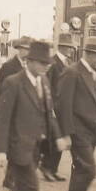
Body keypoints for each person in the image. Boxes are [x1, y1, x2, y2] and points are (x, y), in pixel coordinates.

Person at [0, 40, 68, 191]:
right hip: (18, 146)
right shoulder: (13, 83)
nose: (46, 66)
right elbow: (3, 119)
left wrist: (57, 136)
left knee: (20, 190)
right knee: (31, 188)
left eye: (47, 63)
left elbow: (49, 113)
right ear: (30, 61)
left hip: (36, 147)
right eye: (42, 63)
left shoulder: (44, 82)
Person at [57, 36, 96, 191]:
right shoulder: (72, 72)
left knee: (80, 171)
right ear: (87, 53)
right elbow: (63, 104)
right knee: (89, 170)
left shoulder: (94, 74)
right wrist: (65, 134)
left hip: (91, 133)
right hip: (78, 133)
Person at [0, 35, 32, 190]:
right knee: (13, 144)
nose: (27, 52)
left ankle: (11, 178)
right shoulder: (8, 66)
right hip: (11, 111)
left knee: (20, 144)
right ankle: (9, 179)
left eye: (29, 49)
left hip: (24, 112)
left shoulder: (30, 67)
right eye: (24, 49)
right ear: (19, 49)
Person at [39, 33, 76, 182]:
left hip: (64, 108)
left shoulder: (68, 63)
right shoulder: (53, 63)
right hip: (53, 107)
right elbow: (46, 84)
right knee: (53, 138)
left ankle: (53, 169)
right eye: (67, 47)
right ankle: (46, 167)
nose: (70, 50)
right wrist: (50, 107)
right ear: (61, 47)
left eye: (70, 47)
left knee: (60, 138)